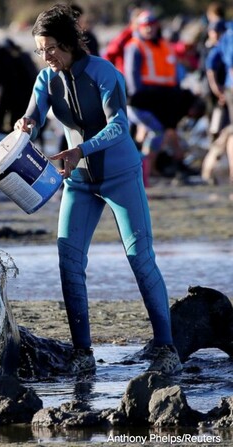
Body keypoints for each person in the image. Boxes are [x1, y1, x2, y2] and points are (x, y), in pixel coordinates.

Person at [13, 4, 181, 375]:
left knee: (140, 259)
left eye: (52, 48)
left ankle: (167, 347)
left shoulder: (105, 74)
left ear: (70, 43)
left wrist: (80, 149)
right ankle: (82, 353)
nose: (47, 56)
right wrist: (25, 124)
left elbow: (120, 126)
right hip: (79, 182)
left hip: (121, 176)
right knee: (69, 262)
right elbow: (35, 116)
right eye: (40, 50)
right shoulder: (46, 80)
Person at [123, 9, 195, 181]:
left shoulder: (164, 45)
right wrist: (139, 97)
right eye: (145, 26)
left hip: (164, 99)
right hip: (143, 101)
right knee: (156, 132)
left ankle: (154, 168)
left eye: (151, 26)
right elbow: (133, 79)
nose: (149, 29)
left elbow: (173, 72)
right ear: (139, 27)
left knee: (163, 132)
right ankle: (144, 170)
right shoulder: (135, 46)